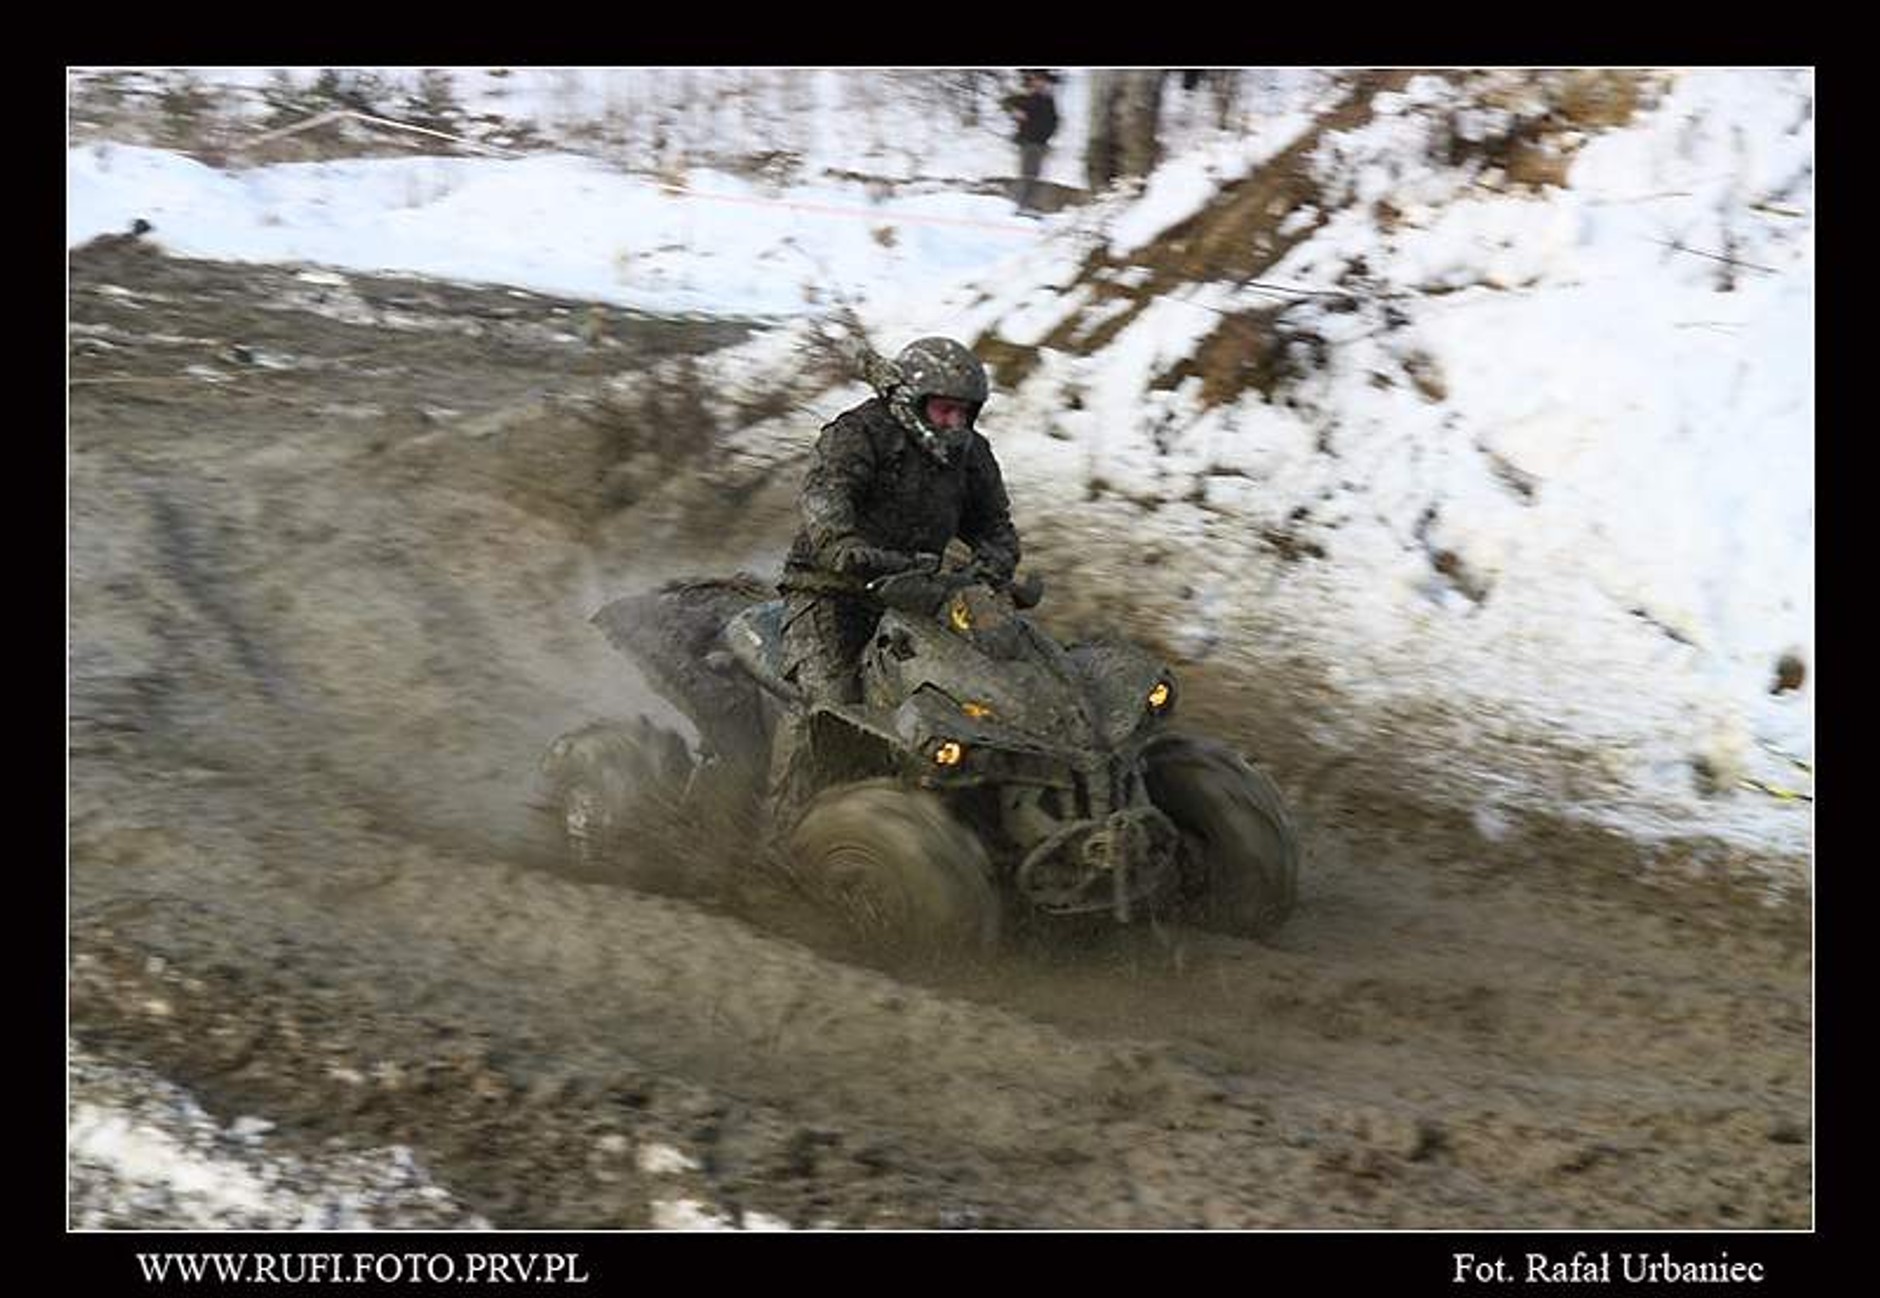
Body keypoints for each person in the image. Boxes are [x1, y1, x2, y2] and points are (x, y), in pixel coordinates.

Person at [769, 336, 1022, 816]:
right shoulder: (857, 434)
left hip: (924, 595)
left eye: (965, 413)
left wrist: (992, 563)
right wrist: (845, 549)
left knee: (995, 684)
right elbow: (826, 501)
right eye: (945, 410)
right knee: (829, 709)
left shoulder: (972, 454)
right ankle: (783, 832)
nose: (955, 423)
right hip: (830, 593)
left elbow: (996, 527)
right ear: (912, 402)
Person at [1002, 70, 1059, 216]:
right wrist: (1015, 111)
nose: (1041, 83)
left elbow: (1054, 120)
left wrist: (1050, 135)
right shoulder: (1026, 97)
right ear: (1033, 82)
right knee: (1027, 174)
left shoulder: (1048, 100)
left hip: (1042, 143)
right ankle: (1021, 206)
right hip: (1027, 142)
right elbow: (1006, 102)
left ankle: (1030, 206)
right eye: (1037, 80)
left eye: (1043, 81)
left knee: (1036, 174)